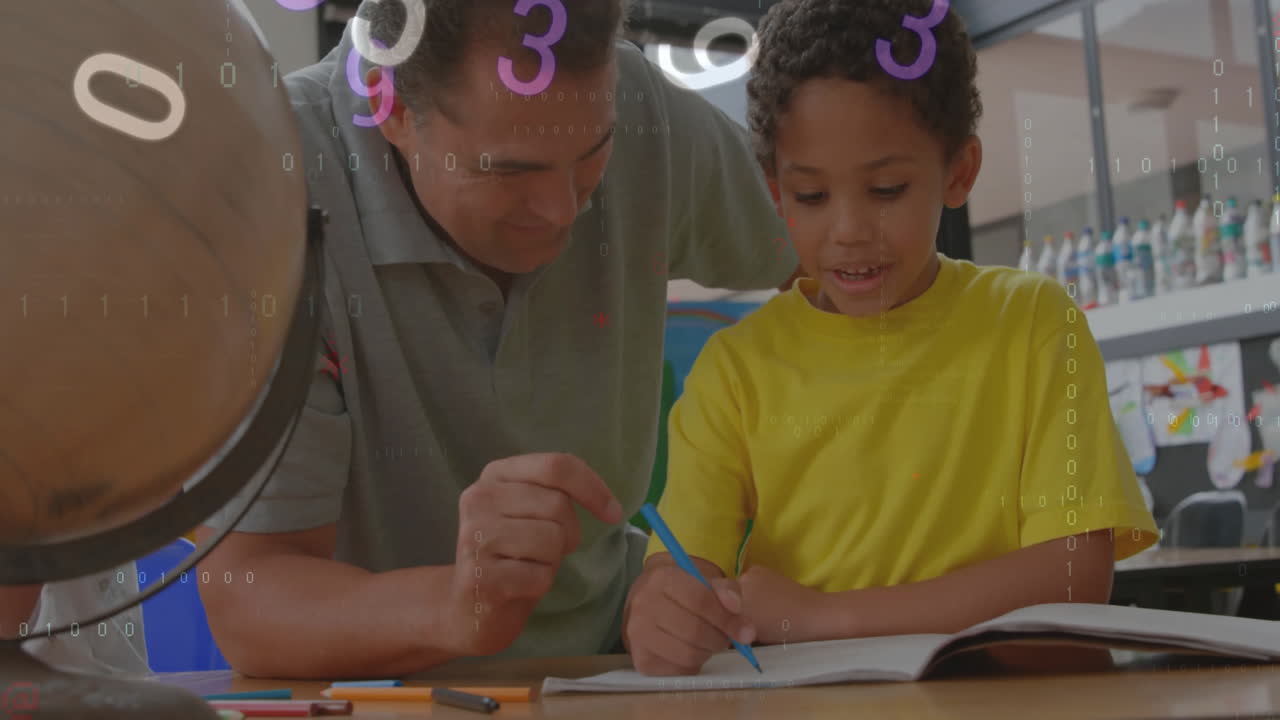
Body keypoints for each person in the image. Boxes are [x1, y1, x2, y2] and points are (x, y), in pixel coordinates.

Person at [195, 0, 799, 678]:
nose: (563, 210)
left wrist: (680, 569)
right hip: (382, 693)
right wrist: (455, 607)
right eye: (508, 171)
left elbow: (841, 251)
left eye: (593, 155)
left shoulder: (638, 107)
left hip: (620, 670)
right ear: (385, 103)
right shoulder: (268, 203)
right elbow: (248, 601)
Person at [621, 0, 1160, 676]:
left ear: (958, 172)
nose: (848, 228)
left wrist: (821, 618)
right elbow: (680, 578)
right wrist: (661, 611)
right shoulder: (737, 369)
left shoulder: (1033, 324)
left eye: (885, 188)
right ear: (774, 195)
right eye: (811, 197)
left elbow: (1076, 581)